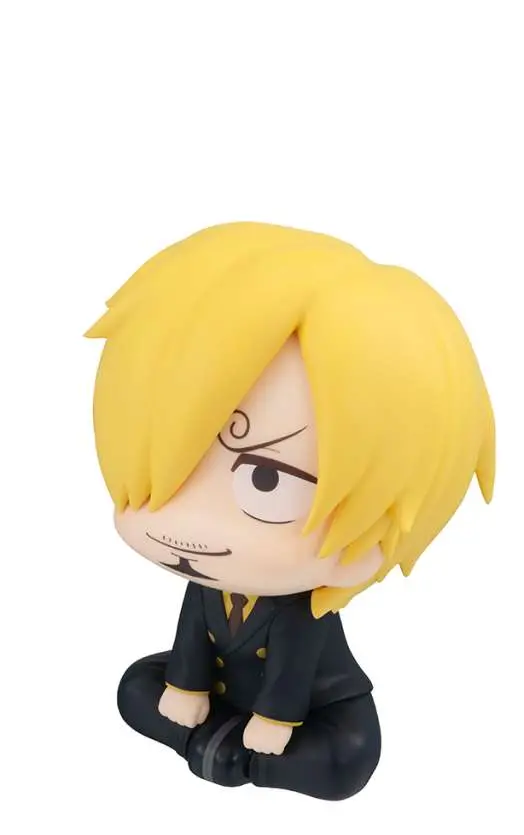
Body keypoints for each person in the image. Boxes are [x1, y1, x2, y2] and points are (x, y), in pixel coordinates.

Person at [88, 222, 495, 800]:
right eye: (168, 466)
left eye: (266, 478)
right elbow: (191, 635)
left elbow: (294, 663)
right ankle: (221, 750)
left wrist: (275, 721)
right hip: (221, 695)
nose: (186, 526)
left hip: (309, 705)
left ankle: (227, 753)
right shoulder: (208, 580)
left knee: (348, 757)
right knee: (135, 688)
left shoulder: (303, 607)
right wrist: (184, 686)